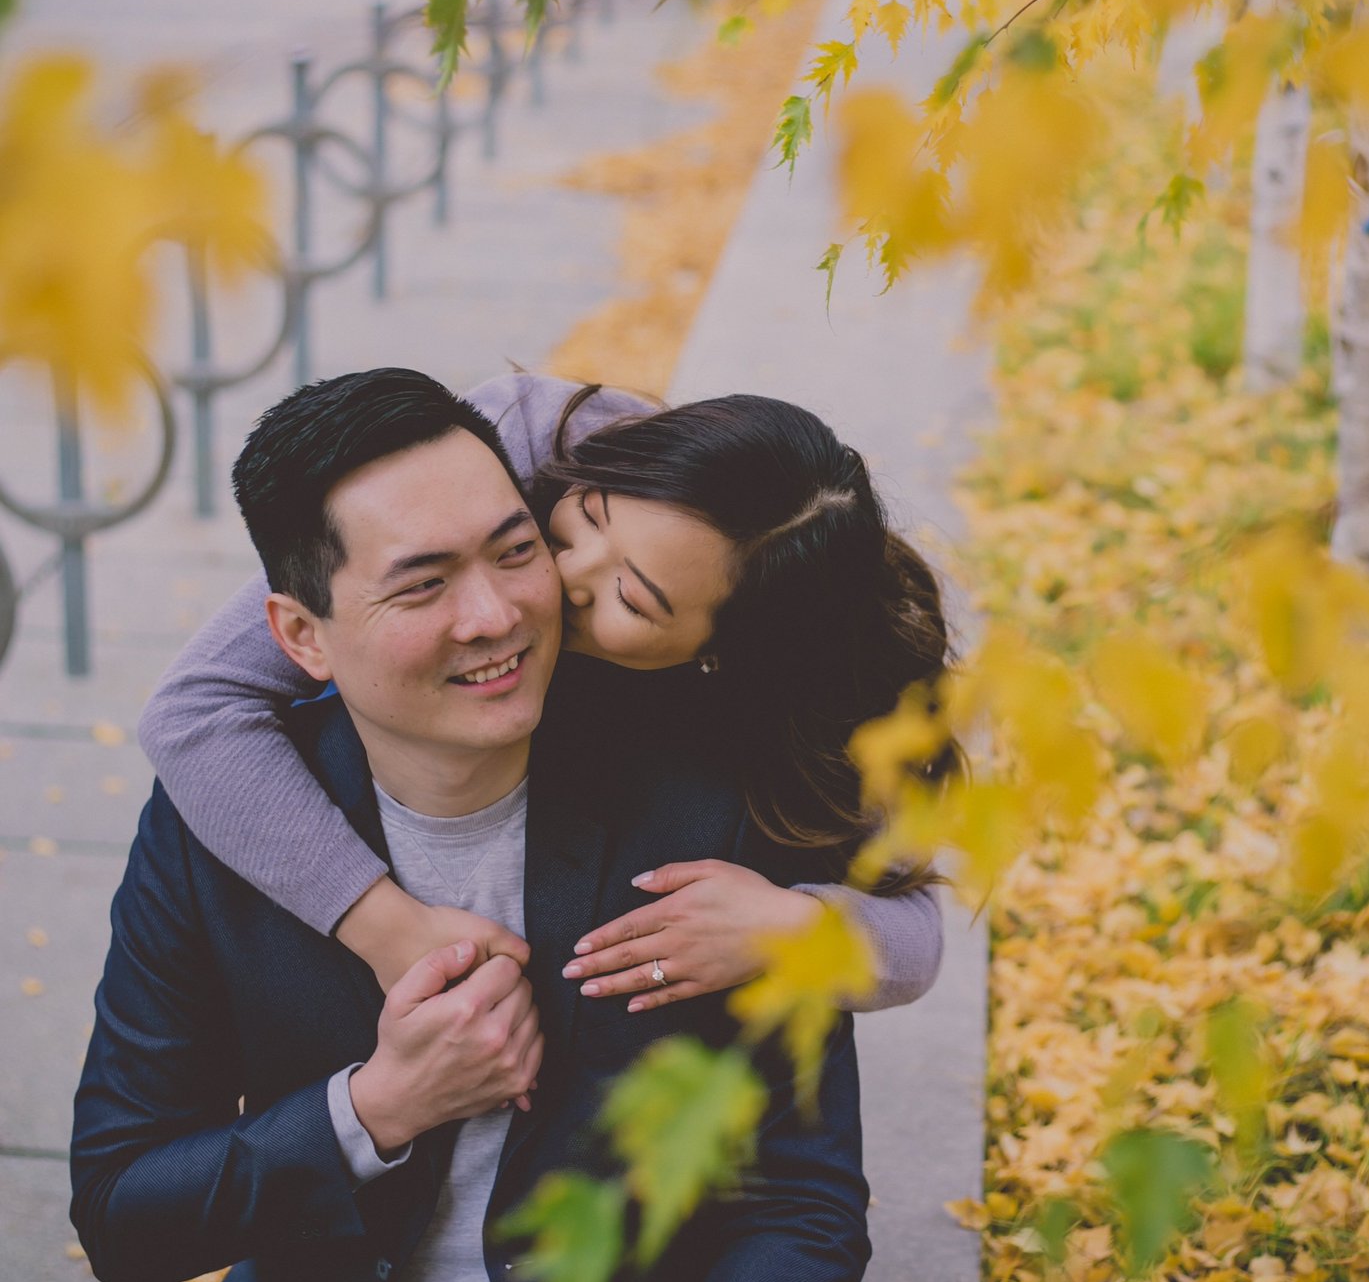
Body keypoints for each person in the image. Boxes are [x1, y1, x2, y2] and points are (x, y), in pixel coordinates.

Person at [0, 370, 870, 1282]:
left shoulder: (709, 794)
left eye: (516, 552)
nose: (497, 617)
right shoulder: (221, 827)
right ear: (303, 633)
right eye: (422, 585)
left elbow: (805, 1204)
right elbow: (123, 1212)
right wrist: (372, 1110)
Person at [138, 370, 953, 1013]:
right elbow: (196, 708)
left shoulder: (805, 704)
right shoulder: (528, 440)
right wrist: (387, 927)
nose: (557, 581)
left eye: (635, 600)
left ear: (722, 656)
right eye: (582, 520)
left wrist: (789, 928)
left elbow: (914, 938)